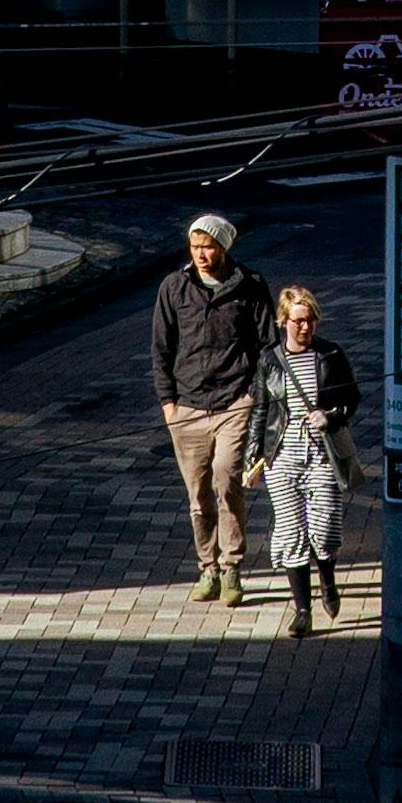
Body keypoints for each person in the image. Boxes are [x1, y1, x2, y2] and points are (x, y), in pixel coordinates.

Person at [150, 212, 276, 604]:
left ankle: (232, 566)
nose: (201, 254)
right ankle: (208, 568)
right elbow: (161, 349)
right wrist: (168, 403)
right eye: (195, 246)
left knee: (226, 478)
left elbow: (267, 348)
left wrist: (255, 398)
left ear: (224, 247)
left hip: (234, 402)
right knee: (198, 496)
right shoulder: (174, 286)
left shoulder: (250, 285)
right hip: (186, 406)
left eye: (209, 246)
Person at [243, 283, 362, 638]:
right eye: (298, 321)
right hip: (282, 453)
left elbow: (352, 398)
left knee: (325, 527)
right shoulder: (269, 359)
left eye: (310, 320)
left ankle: (327, 580)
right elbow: (261, 410)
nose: (305, 328)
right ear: (283, 321)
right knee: (290, 530)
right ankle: (302, 610)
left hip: (323, 450)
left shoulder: (331, 354)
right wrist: (253, 454)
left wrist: (332, 415)